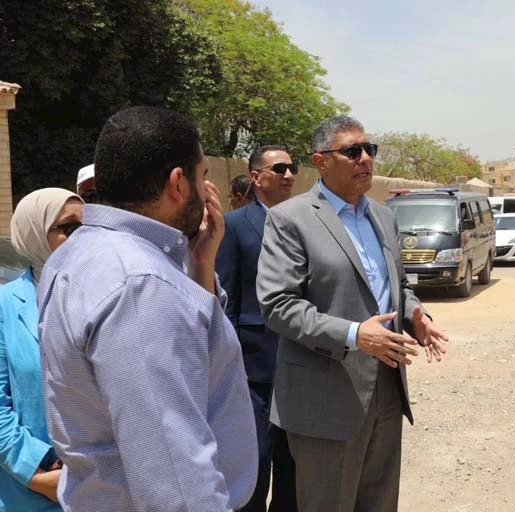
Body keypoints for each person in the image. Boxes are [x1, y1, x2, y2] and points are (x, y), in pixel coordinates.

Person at [36, 106, 259, 511]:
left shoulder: (80, 253)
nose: (207, 190)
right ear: (178, 183)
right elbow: (175, 477)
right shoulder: (140, 284)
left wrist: (200, 264)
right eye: (202, 176)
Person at [256, 115, 449, 512]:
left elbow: (398, 286)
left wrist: (416, 316)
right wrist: (355, 334)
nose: (365, 158)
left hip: (386, 388)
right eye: (352, 151)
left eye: (369, 149)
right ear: (321, 162)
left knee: (379, 503)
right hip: (325, 397)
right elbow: (278, 304)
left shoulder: (383, 217)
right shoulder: (290, 219)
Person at [216, 145, 298, 512]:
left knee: (292, 465)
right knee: (256, 464)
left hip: (300, 364)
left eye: (292, 168)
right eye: (279, 169)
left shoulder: (304, 223)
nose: (288, 175)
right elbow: (226, 300)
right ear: (256, 177)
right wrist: (231, 363)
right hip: (254, 369)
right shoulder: (234, 226)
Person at [0, 188, 83, 512]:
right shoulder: (5, 306)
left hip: (108, 486)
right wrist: (36, 472)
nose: (84, 237)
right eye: (70, 227)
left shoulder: (109, 296)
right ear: (34, 233)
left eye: (89, 227)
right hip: (32, 493)